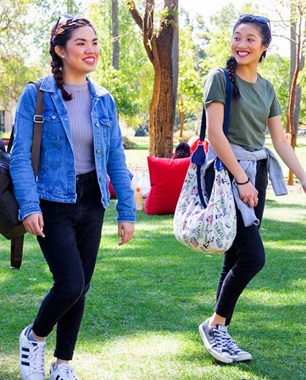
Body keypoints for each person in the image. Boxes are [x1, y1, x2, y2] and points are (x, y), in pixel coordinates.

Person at [10, 15, 135, 380]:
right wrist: (30, 206)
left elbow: (115, 158)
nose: (91, 49)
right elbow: (20, 156)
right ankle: (34, 337)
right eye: (81, 43)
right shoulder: (37, 94)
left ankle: (63, 364)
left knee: (82, 287)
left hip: (92, 201)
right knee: (70, 283)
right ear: (60, 50)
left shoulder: (104, 100)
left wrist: (126, 210)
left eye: (94, 42)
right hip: (52, 203)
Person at [199, 14, 306, 364]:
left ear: (264, 46)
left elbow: (279, 140)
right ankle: (215, 325)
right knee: (253, 256)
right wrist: (241, 179)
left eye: (250, 39)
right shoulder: (219, 78)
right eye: (237, 37)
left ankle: (220, 330)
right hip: (225, 172)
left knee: (236, 256)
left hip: (257, 172)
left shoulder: (266, 89)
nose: (242, 44)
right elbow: (215, 135)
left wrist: (305, 178)